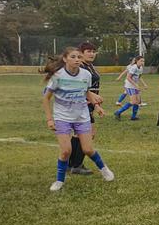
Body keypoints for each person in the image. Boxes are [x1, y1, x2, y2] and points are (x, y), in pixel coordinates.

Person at [41, 47, 115, 192]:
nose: (77, 60)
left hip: (82, 116)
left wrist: (96, 105)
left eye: (79, 57)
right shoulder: (58, 76)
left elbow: (86, 92)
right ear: (65, 59)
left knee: (87, 149)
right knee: (65, 151)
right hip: (62, 117)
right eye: (73, 57)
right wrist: (50, 119)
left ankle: (104, 169)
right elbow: (46, 98)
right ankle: (59, 181)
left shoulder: (86, 75)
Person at [69, 42, 105, 175]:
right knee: (87, 134)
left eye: (93, 51)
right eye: (88, 51)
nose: (91, 53)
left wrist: (95, 104)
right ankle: (77, 165)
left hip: (88, 104)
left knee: (79, 134)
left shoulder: (89, 66)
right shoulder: (80, 67)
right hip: (81, 104)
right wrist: (93, 99)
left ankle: (71, 163)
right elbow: (78, 86)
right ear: (81, 53)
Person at [114, 56, 147, 120]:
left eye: (143, 61)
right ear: (137, 61)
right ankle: (118, 112)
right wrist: (135, 85)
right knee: (133, 101)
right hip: (129, 86)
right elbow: (128, 77)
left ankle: (133, 117)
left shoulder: (141, 68)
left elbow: (139, 77)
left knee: (137, 101)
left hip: (134, 86)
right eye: (141, 61)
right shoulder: (133, 67)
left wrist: (144, 84)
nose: (142, 62)